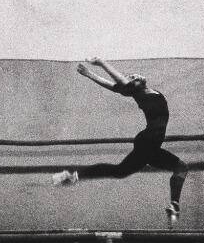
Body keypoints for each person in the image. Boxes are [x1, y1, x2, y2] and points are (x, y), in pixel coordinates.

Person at [51, 57, 188, 228]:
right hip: (148, 140)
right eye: (131, 78)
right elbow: (121, 84)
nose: (133, 77)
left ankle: (72, 176)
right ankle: (72, 175)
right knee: (176, 166)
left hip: (149, 145)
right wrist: (101, 64)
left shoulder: (150, 93)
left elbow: (117, 85)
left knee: (122, 171)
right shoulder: (139, 94)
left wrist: (90, 74)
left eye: (134, 75)